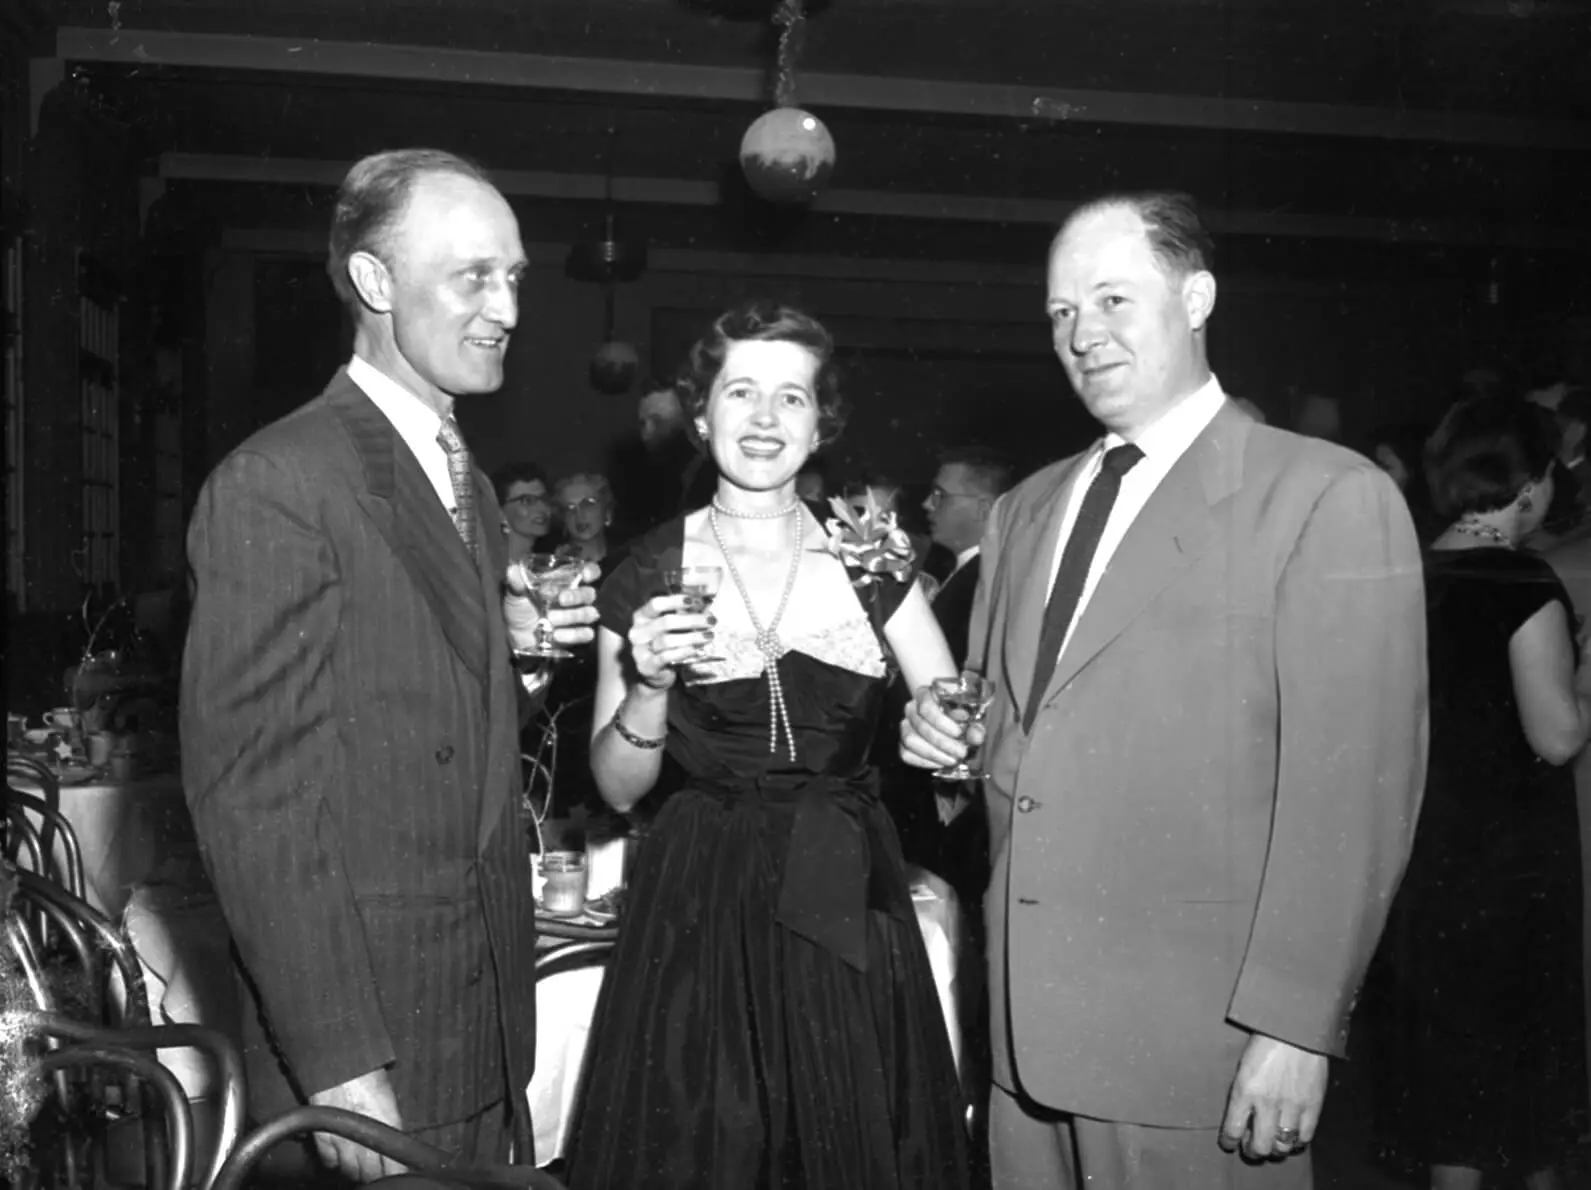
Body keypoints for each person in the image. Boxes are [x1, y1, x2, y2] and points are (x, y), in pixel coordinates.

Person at [900, 191, 1428, 1190]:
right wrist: (946, 741)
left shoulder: (1323, 493)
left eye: (1111, 299)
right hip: (1022, 1032)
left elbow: (1355, 791)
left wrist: (1296, 1023)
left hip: (1196, 1042)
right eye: (1060, 312)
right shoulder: (1023, 510)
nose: (1082, 335)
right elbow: (1000, 725)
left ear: (1196, 296)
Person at [180, 148, 599, 1182]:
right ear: (374, 283)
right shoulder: (280, 479)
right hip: (375, 1022)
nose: (507, 306)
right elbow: (254, 800)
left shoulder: (466, 479)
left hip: (476, 1002)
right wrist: (340, 1061)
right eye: (473, 276)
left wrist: (516, 659)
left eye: (515, 277)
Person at [565, 301, 969, 1189]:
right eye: (739, 391)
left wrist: (946, 739)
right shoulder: (642, 573)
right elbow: (619, 788)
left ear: (820, 424)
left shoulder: (873, 560)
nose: (762, 418)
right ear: (699, 414)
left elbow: (955, 725)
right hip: (699, 896)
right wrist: (650, 685)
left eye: (791, 398)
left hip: (845, 892)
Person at [1377, 396, 1588, 1190]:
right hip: (1509, 864)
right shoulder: (1516, 579)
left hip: (1417, 854)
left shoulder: (1399, 572)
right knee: (1522, 1083)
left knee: (1446, 1082)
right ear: (1529, 485)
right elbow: (1555, 735)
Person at [491, 460, 557, 562]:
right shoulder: (487, 570)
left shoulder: (549, 564)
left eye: (544, 498)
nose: (542, 507)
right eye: (527, 500)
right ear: (500, 512)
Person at [552, 471, 618, 570]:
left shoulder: (630, 560)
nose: (579, 515)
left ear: (606, 510)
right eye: (570, 508)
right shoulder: (555, 567)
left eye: (587, 504)